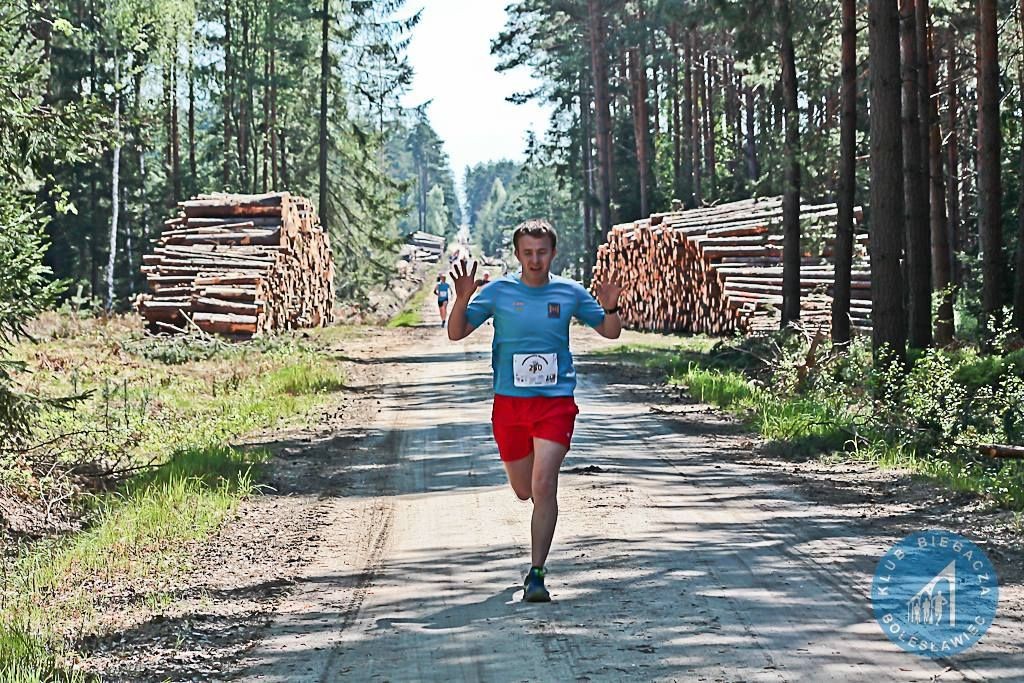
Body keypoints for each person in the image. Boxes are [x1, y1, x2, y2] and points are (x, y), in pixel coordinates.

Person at [447, 219, 624, 602]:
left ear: (553, 253)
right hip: (510, 406)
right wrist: (461, 298)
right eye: (528, 253)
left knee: (544, 485)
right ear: (517, 254)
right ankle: (535, 560)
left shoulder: (569, 292)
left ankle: (537, 573)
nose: (535, 260)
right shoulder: (497, 292)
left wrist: (611, 306)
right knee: (524, 489)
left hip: (555, 405)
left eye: (542, 252)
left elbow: (610, 332)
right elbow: (456, 333)